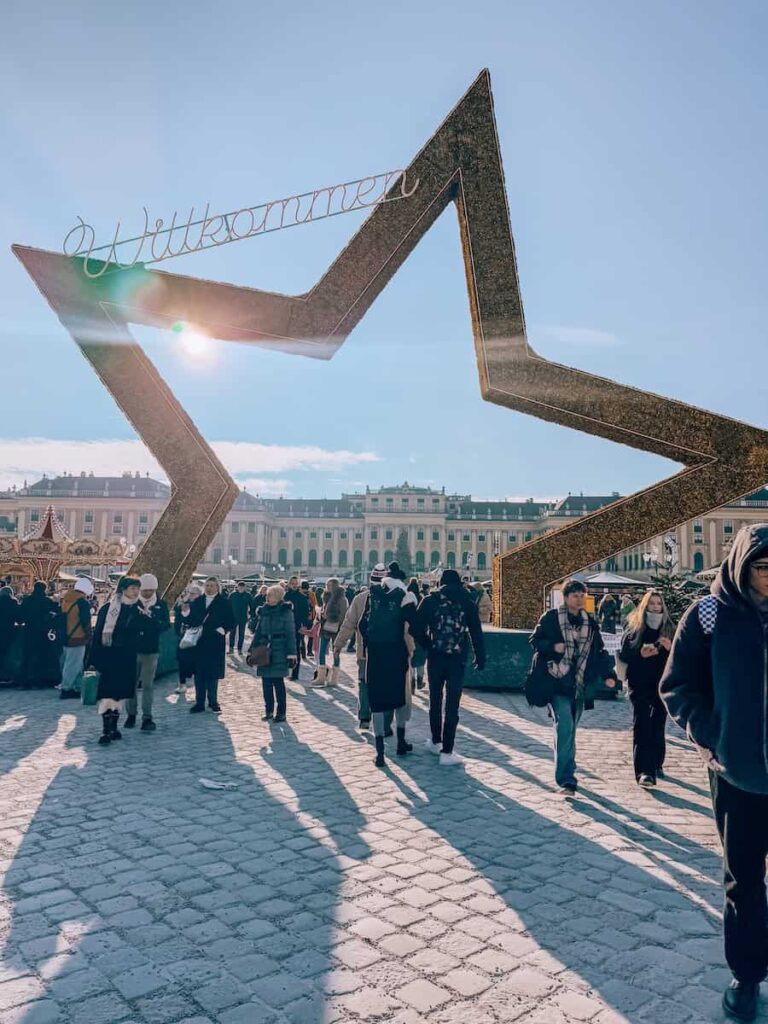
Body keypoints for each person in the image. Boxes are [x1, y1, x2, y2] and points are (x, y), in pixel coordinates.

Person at [660, 524, 768, 1023]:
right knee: (743, 880)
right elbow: (678, 685)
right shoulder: (708, 614)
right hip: (737, 772)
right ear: (743, 566)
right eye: (764, 567)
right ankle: (746, 975)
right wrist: (709, 735)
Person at [530, 579, 618, 796]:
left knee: (568, 730)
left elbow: (599, 652)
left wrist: (609, 675)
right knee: (566, 726)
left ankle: (567, 765)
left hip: (579, 684)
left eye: (582, 595)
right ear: (566, 597)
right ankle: (567, 779)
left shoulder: (590, 622)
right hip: (557, 681)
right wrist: (553, 646)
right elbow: (535, 640)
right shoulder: (551, 618)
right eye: (575, 595)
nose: (579, 599)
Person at [418, 568, 486, 766]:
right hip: (458, 657)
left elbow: (415, 625)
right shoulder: (467, 601)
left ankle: (435, 741)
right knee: (452, 704)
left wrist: (427, 643)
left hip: (436, 656)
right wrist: (480, 658)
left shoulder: (430, 600)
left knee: (435, 699)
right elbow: (476, 632)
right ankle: (447, 752)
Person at [360, 561, 418, 768]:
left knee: (376, 699)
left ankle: (380, 753)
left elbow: (362, 625)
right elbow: (415, 628)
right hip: (397, 653)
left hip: (375, 653)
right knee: (401, 697)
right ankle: (401, 742)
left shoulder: (372, 594)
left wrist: (369, 644)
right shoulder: (406, 596)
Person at [619, 590, 674, 788]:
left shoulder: (670, 628)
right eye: (652, 604)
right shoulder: (635, 628)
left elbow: (682, 658)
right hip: (639, 683)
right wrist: (640, 654)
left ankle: (656, 762)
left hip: (662, 685)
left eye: (659, 603)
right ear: (645, 606)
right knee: (642, 724)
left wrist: (670, 650)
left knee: (658, 724)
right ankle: (644, 772)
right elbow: (624, 655)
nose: (655, 607)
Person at [91, 577, 142, 745]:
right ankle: (106, 729)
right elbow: (98, 633)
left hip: (127, 657)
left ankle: (114, 726)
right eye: (132, 587)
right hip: (110, 656)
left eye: (137, 588)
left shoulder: (138, 608)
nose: (135, 591)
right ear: (123, 589)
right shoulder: (108, 608)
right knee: (107, 694)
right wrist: (94, 658)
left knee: (120, 695)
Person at [334, 568, 384, 729]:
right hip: (386, 651)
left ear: (370, 580)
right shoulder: (393, 598)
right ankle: (382, 717)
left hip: (365, 650)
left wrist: (338, 644)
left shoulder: (360, 598)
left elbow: (349, 624)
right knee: (384, 682)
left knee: (364, 682)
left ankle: (364, 717)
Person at [124, 573, 170, 732]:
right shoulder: (131, 604)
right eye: (145, 590)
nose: (148, 594)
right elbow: (125, 626)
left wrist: (152, 619)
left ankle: (147, 717)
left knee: (148, 685)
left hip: (151, 650)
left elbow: (165, 625)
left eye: (151, 591)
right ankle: (131, 714)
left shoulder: (161, 605)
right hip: (132, 650)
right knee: (130, 684)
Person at [185, 576, 234, 713]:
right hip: (199, 641)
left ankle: (213, 701)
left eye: (212, 585)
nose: (209, 588)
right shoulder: (198, 601)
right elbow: (191, 618)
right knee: (199, 673)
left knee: (213, 674)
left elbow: (231, 620)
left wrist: (223, 629)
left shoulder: (224, 602)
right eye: (207, 585)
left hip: (215, 641)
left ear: (217, 587)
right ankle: (199, 702)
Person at [249, 584, 296, 721]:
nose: (267, 597)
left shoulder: (286, 612)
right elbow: (257, 632)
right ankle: (268, 710)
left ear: (277, 596)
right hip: (264, 649)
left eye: (270, 594)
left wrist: (291, 654)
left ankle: (281, 712)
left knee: (278, 682)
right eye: (267, 594)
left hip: (280, 649)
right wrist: (252, 650)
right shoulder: (263, 611)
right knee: (266, 683)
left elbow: (290, 634)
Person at [19, 581, 61, 688]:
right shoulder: (47, 601)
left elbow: (21, 617)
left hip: (29, 631)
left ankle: (24, 681)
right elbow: (56, 612)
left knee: (27, 656)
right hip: (43, 632)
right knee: (42, 657)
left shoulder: (27, 600)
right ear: (44, 589)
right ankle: (40, 680)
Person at [59, 577, 94, 699]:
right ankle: (67, 688)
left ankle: (76, 687)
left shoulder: (66, 600)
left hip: (65, 637)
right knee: (73, 664)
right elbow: (86, 622)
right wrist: (89, 635)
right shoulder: (82, 602)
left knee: (73, 664)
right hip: (78, 637)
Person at [315, 578, 348, 686]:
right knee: (321, 652)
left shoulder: (341, 599)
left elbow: (343, 615)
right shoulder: (326, 597)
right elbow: (324, 611)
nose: (327, 587)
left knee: (336, 653)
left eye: (330, 585)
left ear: (335, 586)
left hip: (336, 628)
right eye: (327, 585)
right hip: (325, 627)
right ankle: (321, 677)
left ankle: (334, 679)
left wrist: (332, 619)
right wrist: (321, 613)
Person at [174, 584, 201, 694]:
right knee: (182, 661)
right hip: (183, 637)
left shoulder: (201, 606)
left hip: (197, 638)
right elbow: (178, 614)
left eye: (193, 593)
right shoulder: (185, 604)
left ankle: (199, 685)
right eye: (189, 593)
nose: (190, 595)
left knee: (196, 663)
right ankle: (182, 684)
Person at [283, 577, 311, 680]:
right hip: (284, 626)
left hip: (296, 626)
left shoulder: (302, 597)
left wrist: (304, 625)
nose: (294, 585)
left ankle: (295, 674)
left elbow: (305, 612)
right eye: (292, 583)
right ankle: (285, 670)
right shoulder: (285, 596)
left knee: (296, 650)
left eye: (296, 583)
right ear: (289, 584)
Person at [0, 586, 19, 682]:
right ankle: (5, 674)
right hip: (8, 629)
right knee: (6, 652)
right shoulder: (13, 602)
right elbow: (17, 616)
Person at [228, 581, 252, 655]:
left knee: (241, 634)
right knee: (232, 633)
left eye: (242, 587)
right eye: (239, 587)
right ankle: (231, 648)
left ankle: (239, 649)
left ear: (245, 588)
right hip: (233, 617)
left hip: (243, 617)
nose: (241, 588)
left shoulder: (248, 595)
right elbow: (228, 605)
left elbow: (251, 605)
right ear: (237, 587)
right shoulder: (233, 595)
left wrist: (251, 614)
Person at [301, 581, 318, 658]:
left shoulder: (299, 593)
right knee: (310, 635)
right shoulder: (312, 594)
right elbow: (315, 605)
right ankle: (309, 651)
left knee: (301, 635)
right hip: (310, 617)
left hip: (301, 618)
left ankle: (303, 651)